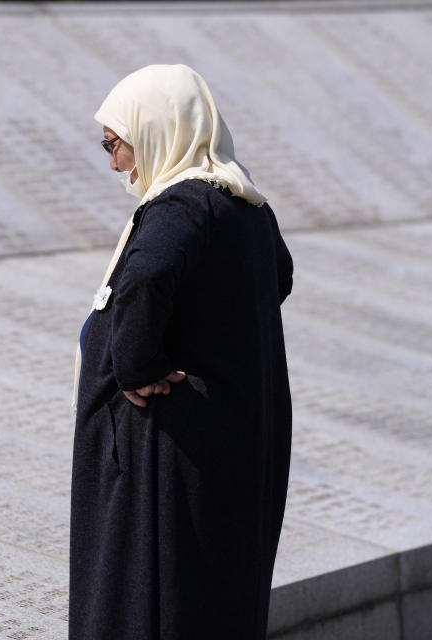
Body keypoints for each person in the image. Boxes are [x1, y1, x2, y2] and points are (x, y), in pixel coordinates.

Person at [69, 64, 293, 639]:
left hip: (170, 452)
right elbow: (281, 276)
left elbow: (146, 278)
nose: (115, 162)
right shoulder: (247, 204)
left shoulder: (183, 206)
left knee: (151, 602)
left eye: (116, 143)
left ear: (156, 130)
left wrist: (135, 366)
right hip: (225, 442)